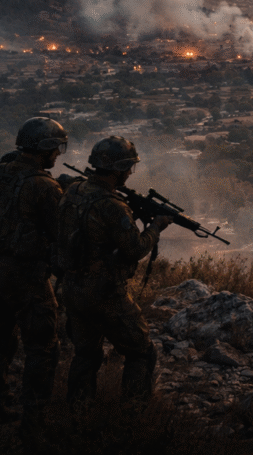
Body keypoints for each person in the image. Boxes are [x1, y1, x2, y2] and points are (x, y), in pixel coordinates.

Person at [0, 118, 67, 426]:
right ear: (45, 149)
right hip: (24, 275)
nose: (57, 154)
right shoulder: (44, 186)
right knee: (42, 346)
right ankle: (34, 417)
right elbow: (61, 235)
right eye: (55, 148)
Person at [57, 136, 167, 404]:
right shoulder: (112, 205)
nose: (130, 172)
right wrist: (156, 227)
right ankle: (133, 417)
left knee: (86, 354)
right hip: (104, 293)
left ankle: (77, 415)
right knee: (141, 351)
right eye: (129, 166)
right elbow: (135, 249)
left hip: (72, 287)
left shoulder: (75, 191)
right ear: (118, 168)